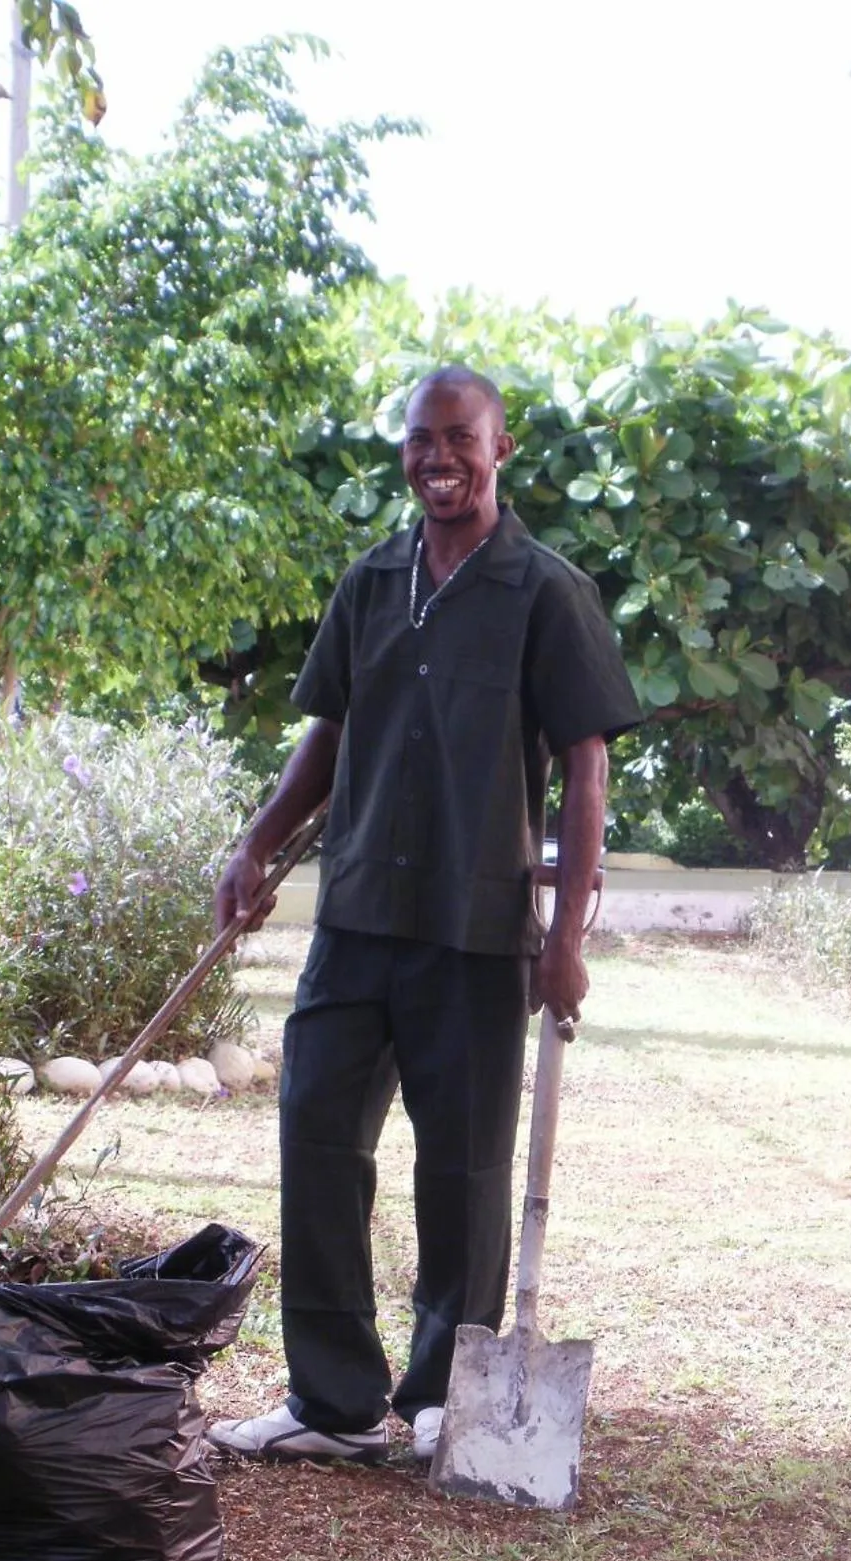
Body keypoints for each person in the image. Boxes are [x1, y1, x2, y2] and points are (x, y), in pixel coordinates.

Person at [207, 365, 640, 1466]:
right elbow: (330, 736)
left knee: (461, 1169)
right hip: (356, 918)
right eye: (420, 440)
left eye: (460, 439)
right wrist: (255, 842)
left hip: (476, 924)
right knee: (315, 1134)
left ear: (500, 449)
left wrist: (567, 939)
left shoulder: (547, 592)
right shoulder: (372, 580)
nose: (438, 458)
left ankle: (447, 1389)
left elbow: (585, 768)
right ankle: (333, 1400)